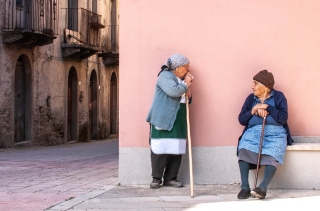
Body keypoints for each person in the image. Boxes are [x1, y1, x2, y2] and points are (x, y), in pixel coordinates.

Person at [237, 69, 293, 199]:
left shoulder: (279, 97)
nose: (252, 86)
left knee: (274, 151)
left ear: (265, 87)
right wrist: (254, 109)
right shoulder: (251, 99)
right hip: (254, 131)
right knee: (244, 147)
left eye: (255, 83)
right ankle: (245, 187)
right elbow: (241, 119)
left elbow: (283, 118)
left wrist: (267, 107)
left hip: (276, 133)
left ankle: (262, 188)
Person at [146, 54, 194, 189]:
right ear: (177, 68)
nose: (188, 69)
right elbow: (173, 91)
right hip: (163, 117)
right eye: (186, 67)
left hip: (179, 118)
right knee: (160, 148)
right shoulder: (165, 76)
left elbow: (184, 96)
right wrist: (186, 84)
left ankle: (171, 178)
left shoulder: (182, 79)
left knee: (176, 148)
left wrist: (189, 94)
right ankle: (156, 179)